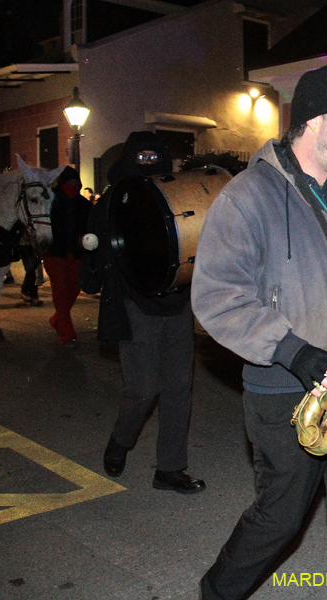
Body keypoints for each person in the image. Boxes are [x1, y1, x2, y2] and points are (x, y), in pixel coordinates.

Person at [190, 65, 327, 600]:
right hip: (286, 388)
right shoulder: (248, 196)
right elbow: (217, 296)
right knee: (281, 518)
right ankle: (216, 592)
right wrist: (293, 351)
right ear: (315, 120)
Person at [82, 130, 206, 494]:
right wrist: (92, 265)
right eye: (142, 157)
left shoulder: (176, 194)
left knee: (179, 389)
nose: (149, 163)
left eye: (155, 157)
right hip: (135, 303)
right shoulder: (112, 201)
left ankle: (169, 469)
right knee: (142, 389)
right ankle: (120, 441)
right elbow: (95, 254)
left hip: (176, 301)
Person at [42, 166, 91, 348]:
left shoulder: (81, 204)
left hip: (74, 254)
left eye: (74, 182)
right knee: (61, 292)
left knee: (72, 289)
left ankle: (58, 320)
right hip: (56, 253)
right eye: (70, 181)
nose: (73, 185)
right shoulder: (53, 202)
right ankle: (67, 332)